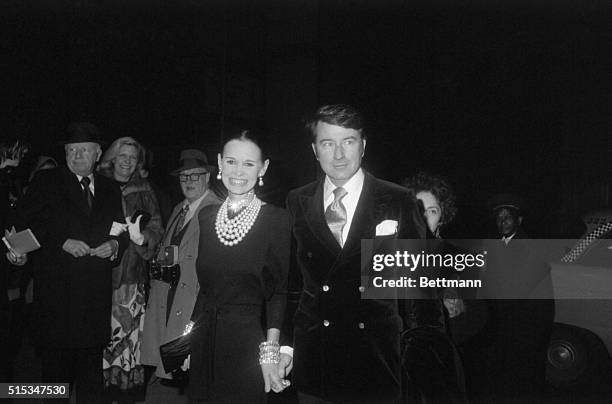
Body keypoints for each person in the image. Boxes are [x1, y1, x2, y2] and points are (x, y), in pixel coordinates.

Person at [282, 104, 441, 403]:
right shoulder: (296, 201)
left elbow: (422, 289)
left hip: (378, 364)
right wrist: (286, 347)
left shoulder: (397, 199)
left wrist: (424, 359)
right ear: (315, 150)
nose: (339, 154)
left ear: (363, 146)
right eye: (328, 143)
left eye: (348, 142)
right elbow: (291, 285)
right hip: (316, 363)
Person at [9, 122, 127, 403]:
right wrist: (60, 241)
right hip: (56, 305)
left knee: (90, 386)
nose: (76, 156)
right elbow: (22, 225)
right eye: (71, 150)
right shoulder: (46, 182)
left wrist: (114, 246)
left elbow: (119, 228)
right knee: (54, 384)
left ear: (98, 154)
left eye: (84, 150)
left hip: (94, 305)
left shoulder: (111, 189)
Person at [186, 130, 291, 403]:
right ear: (220, 163)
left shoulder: (277, 220)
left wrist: (270, 354)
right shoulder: (207, 217)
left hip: (247, 343)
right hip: (204, 339)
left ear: (263, 168)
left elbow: (279, 294)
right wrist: (187, 340)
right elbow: (205, 289)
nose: (238, 171)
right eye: (231, 161)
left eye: (248, 163)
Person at [141, 149, 221, 383]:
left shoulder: (215, 210)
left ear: (207, 177)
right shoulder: (179, 208)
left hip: (194, 300)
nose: (189, 182)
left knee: (194, 366)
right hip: (169, 294)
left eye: (195, 175)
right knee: (175, 365)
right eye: (184, 177)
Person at [97, 137, 164, 403]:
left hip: (132, 278)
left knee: (129, 339)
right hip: (99, 275)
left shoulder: (144, 189)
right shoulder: (97, 185)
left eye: (132, 158)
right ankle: (99, 388)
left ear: (138, 163)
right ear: (112, 158)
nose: (126, 162)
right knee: (100, 336)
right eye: (122, 156)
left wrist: (142, 238)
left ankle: (126, 391)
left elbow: (157, 228)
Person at [469, 194, 554, 403]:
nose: (502, 221)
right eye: (499, 218)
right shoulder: (498, 244)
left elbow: (513, 290)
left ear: (519, 220)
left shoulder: (529, 246)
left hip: (529, 323)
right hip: (511, 319)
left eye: (508, 217)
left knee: (524, 376)